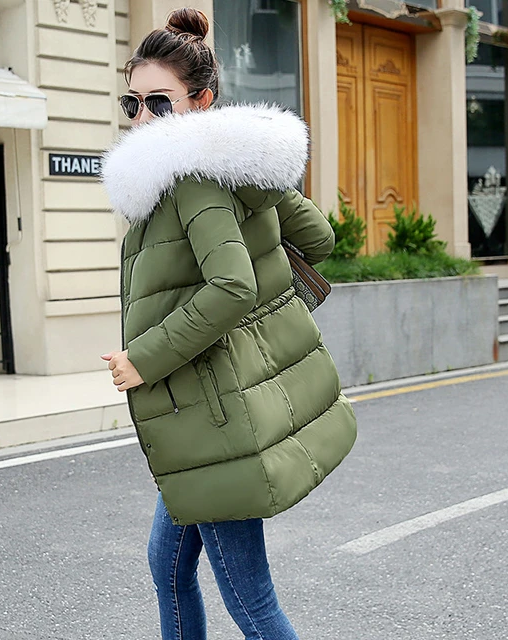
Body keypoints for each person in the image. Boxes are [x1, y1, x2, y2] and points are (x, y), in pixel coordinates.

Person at [101, 8, 357, 639]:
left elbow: (233, 285)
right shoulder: (230, 168)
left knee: (250, 600)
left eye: (159, 103)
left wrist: (144, 359)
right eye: (131, 103)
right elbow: (319, 238)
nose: (142, 119)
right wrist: (260, 184)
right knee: (167, 567)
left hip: (214, 412)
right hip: (209, 409)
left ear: (201, 100)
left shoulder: (191, 177)